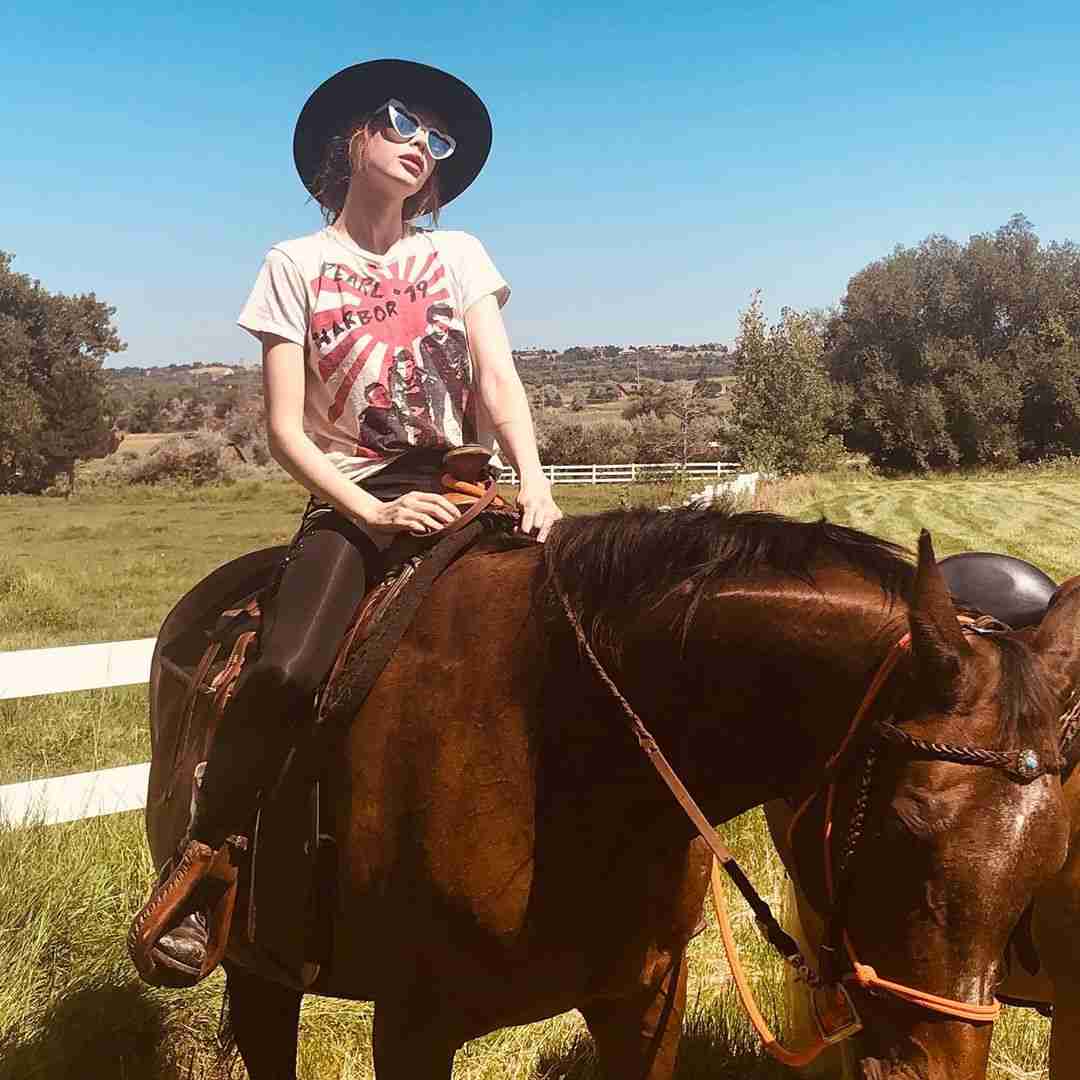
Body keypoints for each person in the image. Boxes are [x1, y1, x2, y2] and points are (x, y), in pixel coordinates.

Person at [129, 59, 562, 986]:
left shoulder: (457, 255)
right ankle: (205, 866)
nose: (420, 145)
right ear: (352, 139)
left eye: (436, 140)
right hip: (357, 496)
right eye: (404, 123)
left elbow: (498, 382)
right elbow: (286, 431)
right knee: (286, 667)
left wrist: (535, 481)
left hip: (466, 483)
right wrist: (371, 508)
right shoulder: (295, 264)